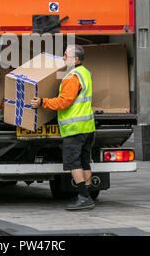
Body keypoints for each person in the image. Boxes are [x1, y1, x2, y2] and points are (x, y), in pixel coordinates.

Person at [30, 44, 96, 210]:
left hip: (74, 129)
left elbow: (64, 102)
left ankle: (83, 197)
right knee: (84, 162)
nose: (63, 58)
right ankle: (86, 195)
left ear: (76, 59)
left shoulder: (72, 77)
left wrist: (42, 102)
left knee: (73, 163)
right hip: (87, 127)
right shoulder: (85, 73)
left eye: (66, 55)